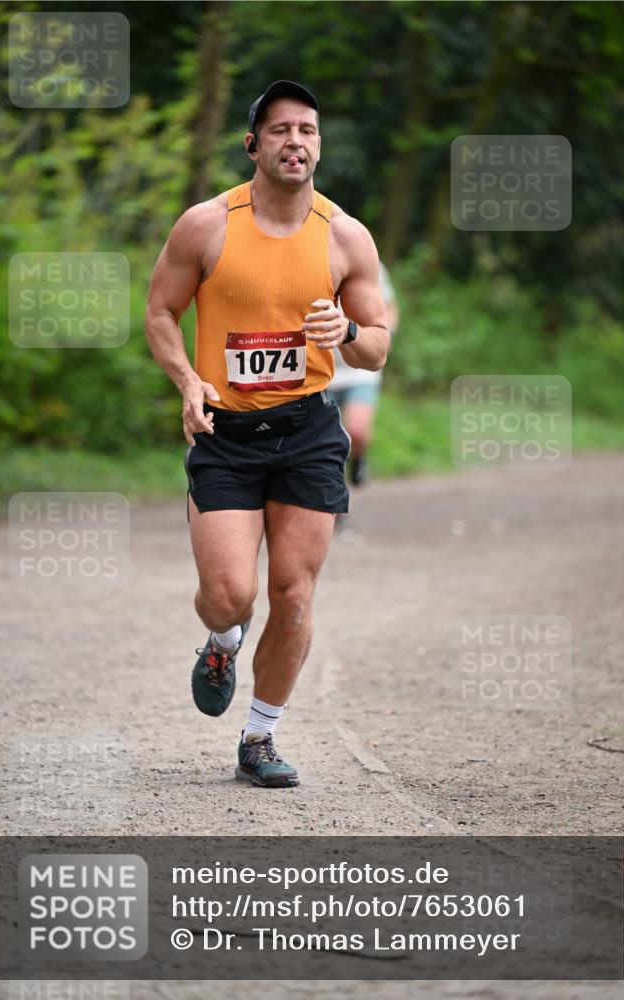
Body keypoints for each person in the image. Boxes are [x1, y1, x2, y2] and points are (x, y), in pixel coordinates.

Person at [145, 80, 390, 788]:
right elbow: (160, 313)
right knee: (229, 594)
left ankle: (259, 738)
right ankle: (222, 639)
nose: (295, 141)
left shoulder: (345, 236)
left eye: (307, 130)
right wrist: (188, 382)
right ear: (253, 146)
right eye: (280, 130)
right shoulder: (206, 226)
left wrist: (345, 329)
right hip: (225, 432)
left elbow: (376, 346)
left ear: (319, 145)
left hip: (307, 430)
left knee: (294, 594)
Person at [328, 262, 399, 487]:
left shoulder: (366, 259)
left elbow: (390, 307)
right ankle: (331, 487)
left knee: (356, 431)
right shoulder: (304, 254)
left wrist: (385, 338)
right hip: (323, 368)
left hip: (359, 370)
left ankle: (359, 458)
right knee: (327, 441)